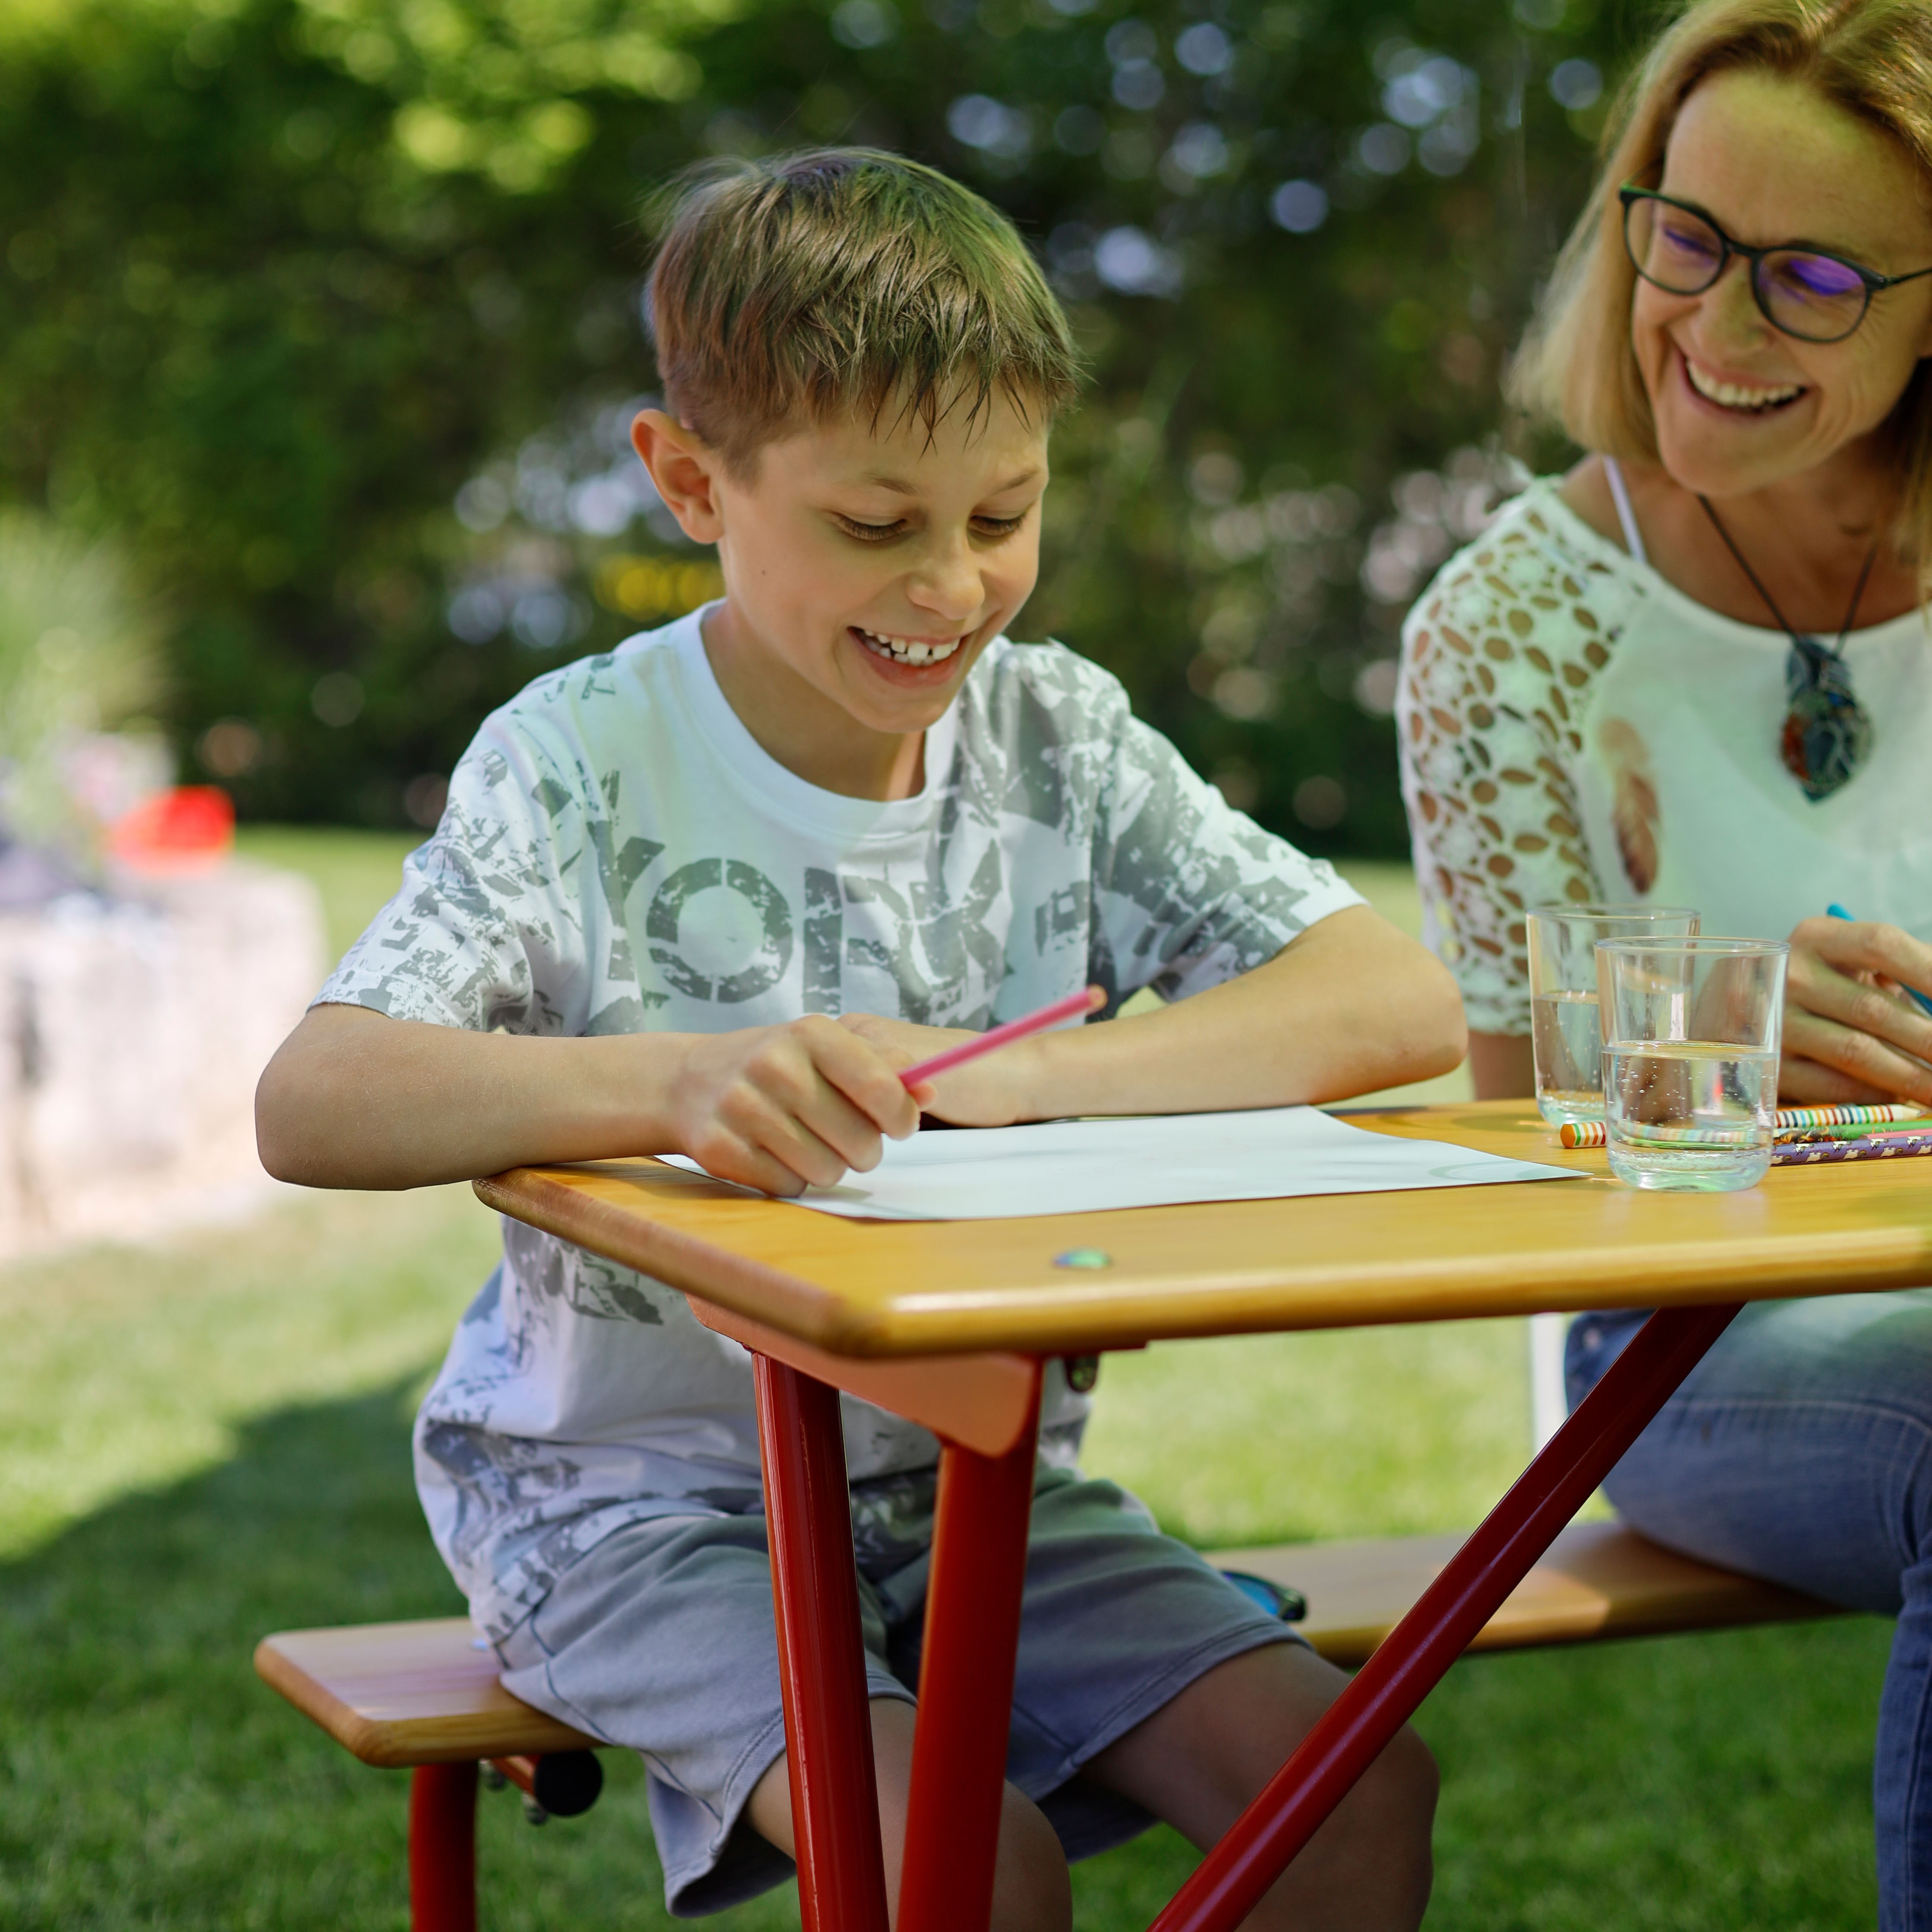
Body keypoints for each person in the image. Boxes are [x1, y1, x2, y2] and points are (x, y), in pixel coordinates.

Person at [257, 150, 1463, 1929]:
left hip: (976, 1500)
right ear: (689, 479)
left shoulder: (1058, 738)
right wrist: (674, 1078)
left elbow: (1396, 999)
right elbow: (316, 1093)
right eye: (876, 525)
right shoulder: (584, 759)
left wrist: (1026, 1079)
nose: (955, 588)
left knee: (1352, 1793)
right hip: (627, 1516)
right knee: (971, 1871)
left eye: (1006, 513)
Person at [1397, 0, 1932, 1922]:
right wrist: (1716, 1021)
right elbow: (1512, 1112)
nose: (1708, 327)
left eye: (1803, 278)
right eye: (1680, 236)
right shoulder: (1514, 624)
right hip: (1684, 1342)